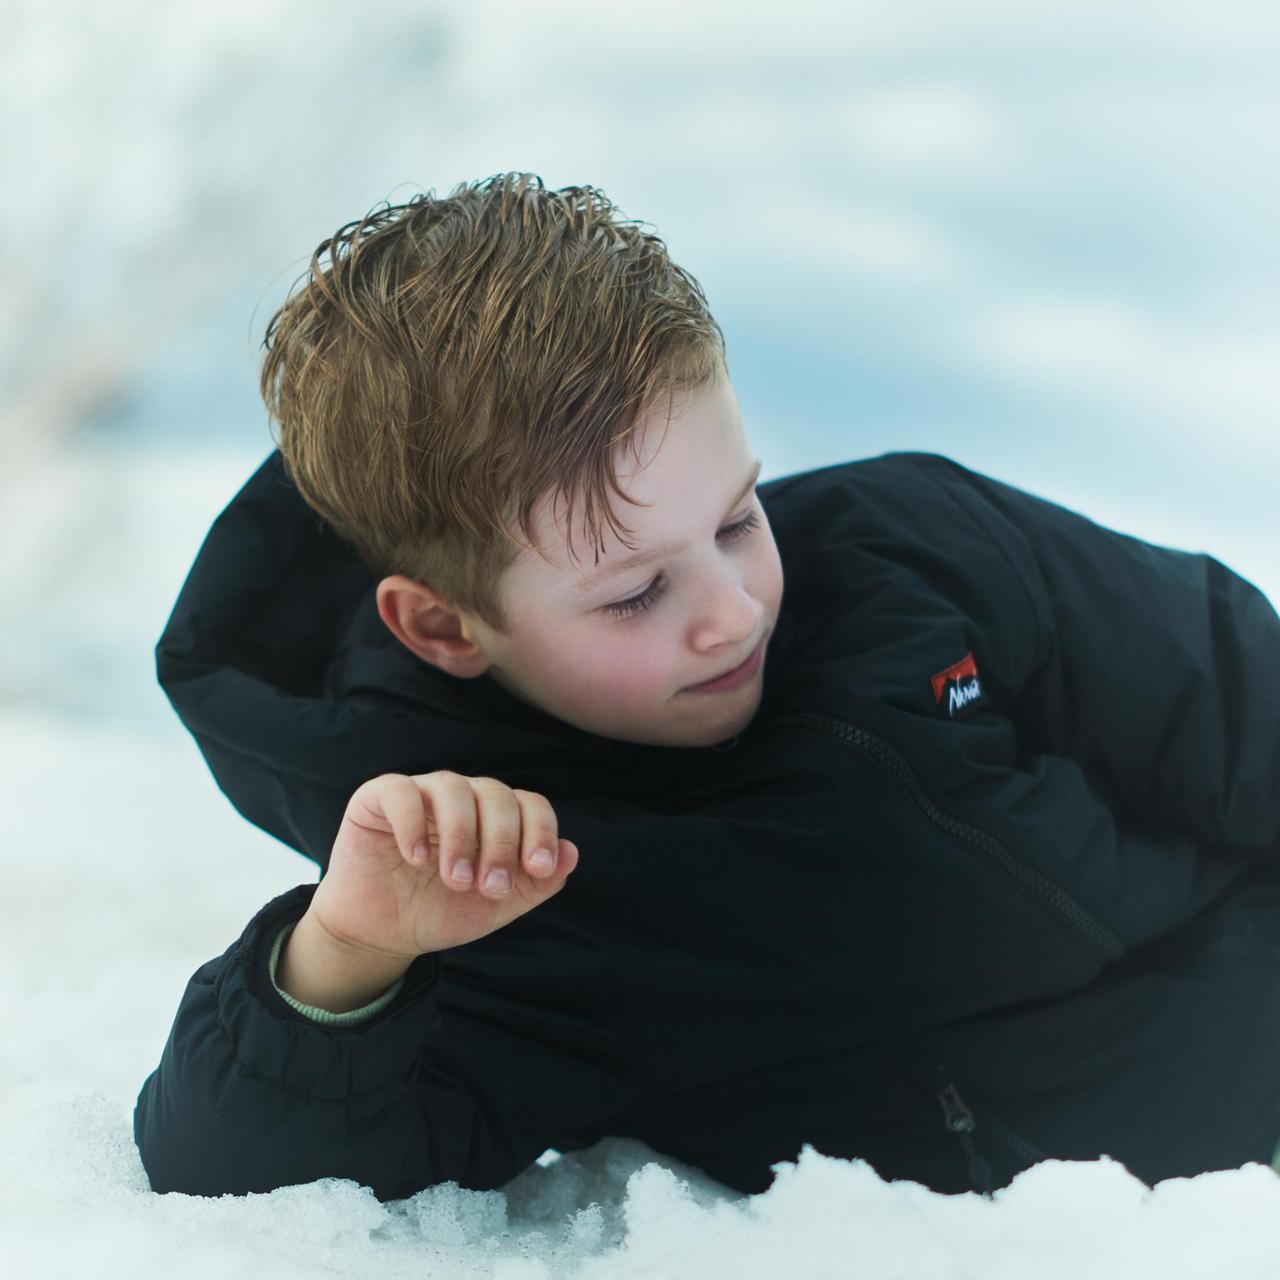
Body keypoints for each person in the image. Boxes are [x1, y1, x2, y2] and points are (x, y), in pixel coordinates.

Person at [134, 172, 1280, 1202]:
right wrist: (345, 956)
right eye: (633, 594)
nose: (732, 609)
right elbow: (241, 1184)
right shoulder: (490, 876)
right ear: (441, 625)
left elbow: (1236, 694)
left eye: (737, 516)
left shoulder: (916, 551)